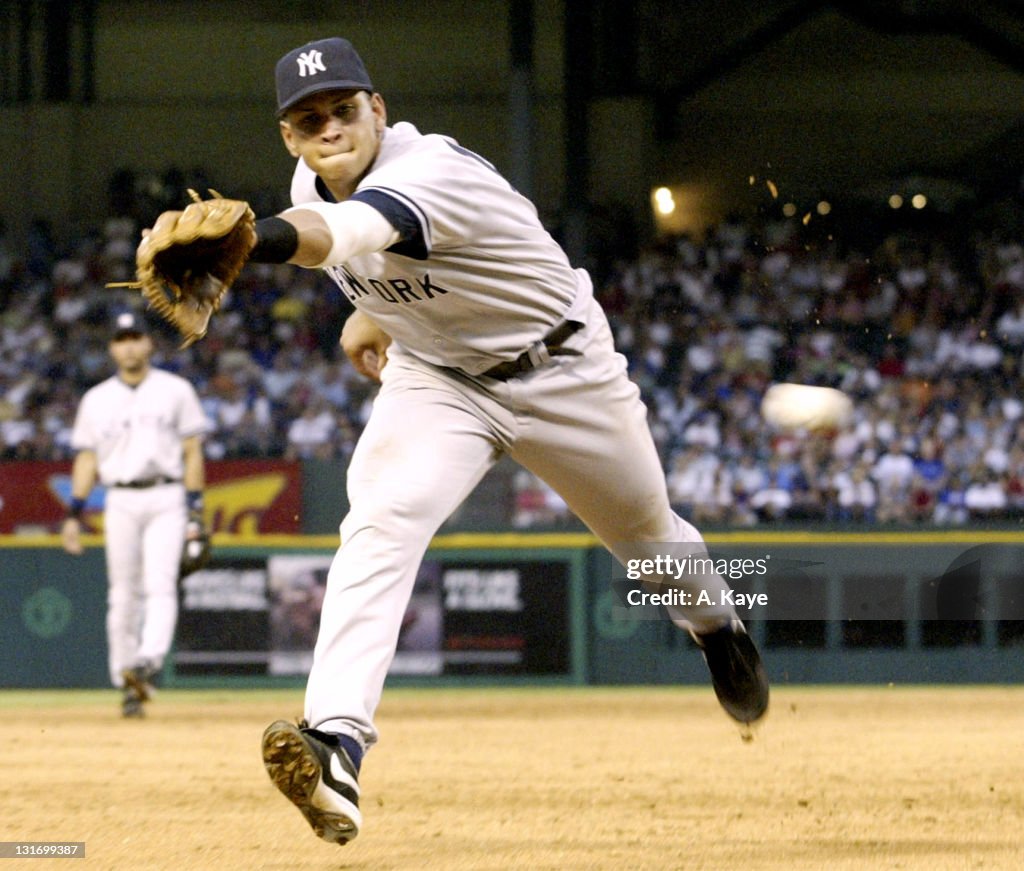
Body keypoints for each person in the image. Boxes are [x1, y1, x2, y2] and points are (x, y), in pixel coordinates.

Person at [150, 36, 769, 844]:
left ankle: (717, 627)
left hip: (562, 369)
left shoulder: (429, 165)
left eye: (343, 108)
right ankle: (334, 742)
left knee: (649, 543)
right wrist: (370, 312)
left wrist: (259, 242)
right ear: (290, 138)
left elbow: (358, 230)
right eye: (309, 119)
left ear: (377, 109)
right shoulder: (310, 183)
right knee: (381, 517)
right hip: (439, 377)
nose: (329, 126)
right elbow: (356, 240)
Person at [60, 311, 209, 718]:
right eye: (120, 338)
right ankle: (127, 678)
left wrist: (196, 509)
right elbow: (87, 459)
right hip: (120, 498)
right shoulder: (96, 399)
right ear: (111, 347)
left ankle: (148, 660)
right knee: (122, 593)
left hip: (167, 494)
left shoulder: (175, 390)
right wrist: (74, 512)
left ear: (148, 343)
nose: (128, 345)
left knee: (159, 584)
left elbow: (193, 452)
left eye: (135, 337)